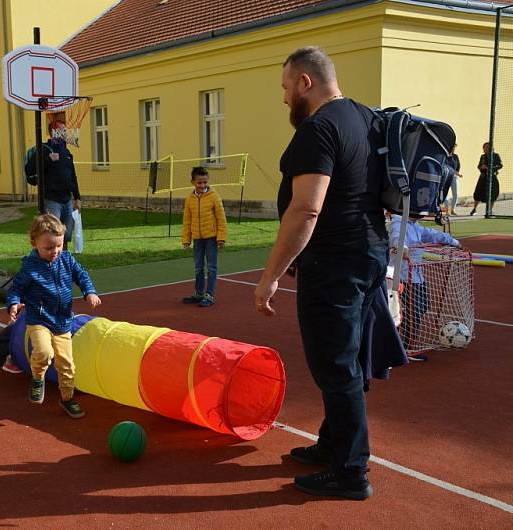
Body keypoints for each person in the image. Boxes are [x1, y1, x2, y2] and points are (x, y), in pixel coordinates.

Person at [254, 46, 389, 500]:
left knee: (336, 366)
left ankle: (351, 472)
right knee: (347, 360)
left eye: (286, 86)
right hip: (369, 253)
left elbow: (306, 208)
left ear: (306, 82)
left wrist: (272, 273)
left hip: (335, 264)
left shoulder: (318, 130)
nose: (285, 96)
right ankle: (333, 445)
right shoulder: (366, 120)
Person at [6, 213, 101, 419]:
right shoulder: (30, 268)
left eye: (58, 246)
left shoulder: (66, 259)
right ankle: (37, 378)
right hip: (39, 320)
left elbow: (82, 275)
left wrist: (89, 291)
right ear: (34, 243)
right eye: (48, 248)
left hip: (63, 321)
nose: (55, 251)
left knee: (67, 365)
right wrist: (14, 303)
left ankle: (67, 398)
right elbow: (16, 289)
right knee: (44, 352)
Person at [389, 214, 460, 357]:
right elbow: (397, 238)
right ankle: (405, 348)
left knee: (423, 305)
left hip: (415, 275)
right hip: (403, 276)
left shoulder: (414, 225)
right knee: (411, 311)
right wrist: (402, 248)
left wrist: (453, 242)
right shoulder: (399, 223)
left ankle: (401, 343)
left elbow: (431, 234)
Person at [25, 119, 81, 243]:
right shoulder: (44, 149)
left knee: (66, 235)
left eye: (65, 130)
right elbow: (30, 170)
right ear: (54, 132)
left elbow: (73, 176)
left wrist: (77, 198)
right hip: (52, 200)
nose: (66, 133)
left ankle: (64, 257)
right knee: (53, 233)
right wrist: (48, 160)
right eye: (63, 130)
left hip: (67, 200)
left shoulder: (66, 152)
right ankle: (52, 257)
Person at [181, 166, 228, 307]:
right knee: (198, 267)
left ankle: (209, 295)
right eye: (199, 183)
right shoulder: (189, 199)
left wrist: (221, 237)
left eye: (205, 182)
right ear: (193, 182)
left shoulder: (214, 197)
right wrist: (186, 238)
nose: (202, 185)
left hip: (211, 238)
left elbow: (221, 218)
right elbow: (187, 220)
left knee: (211, 267)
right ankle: (199, 293)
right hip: (197, 239)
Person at [470, 142, 502, 216]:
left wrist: (490, 168)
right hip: (483, 177)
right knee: (477, 193)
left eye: (488, 147)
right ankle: (474, 209)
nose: (486, 148)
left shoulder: (496, 156)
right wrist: (481, 167)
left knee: (493, 193)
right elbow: (479, 166)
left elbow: (500, 165)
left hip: (492, 177)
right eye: (485, 147)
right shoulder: (483, 156)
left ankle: (490, 210)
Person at [444, 144, 462, 216]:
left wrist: (457, 172)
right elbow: (445, 166)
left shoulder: (455, 156)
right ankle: (447, 210)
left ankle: (453, 209)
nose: (454, 149)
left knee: (456, 194)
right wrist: (452, 171)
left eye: (454, 147)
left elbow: (458, 165)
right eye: (453, 147)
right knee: (446, 194)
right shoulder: (445, 156)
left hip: (454, 177)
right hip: (446, 177)